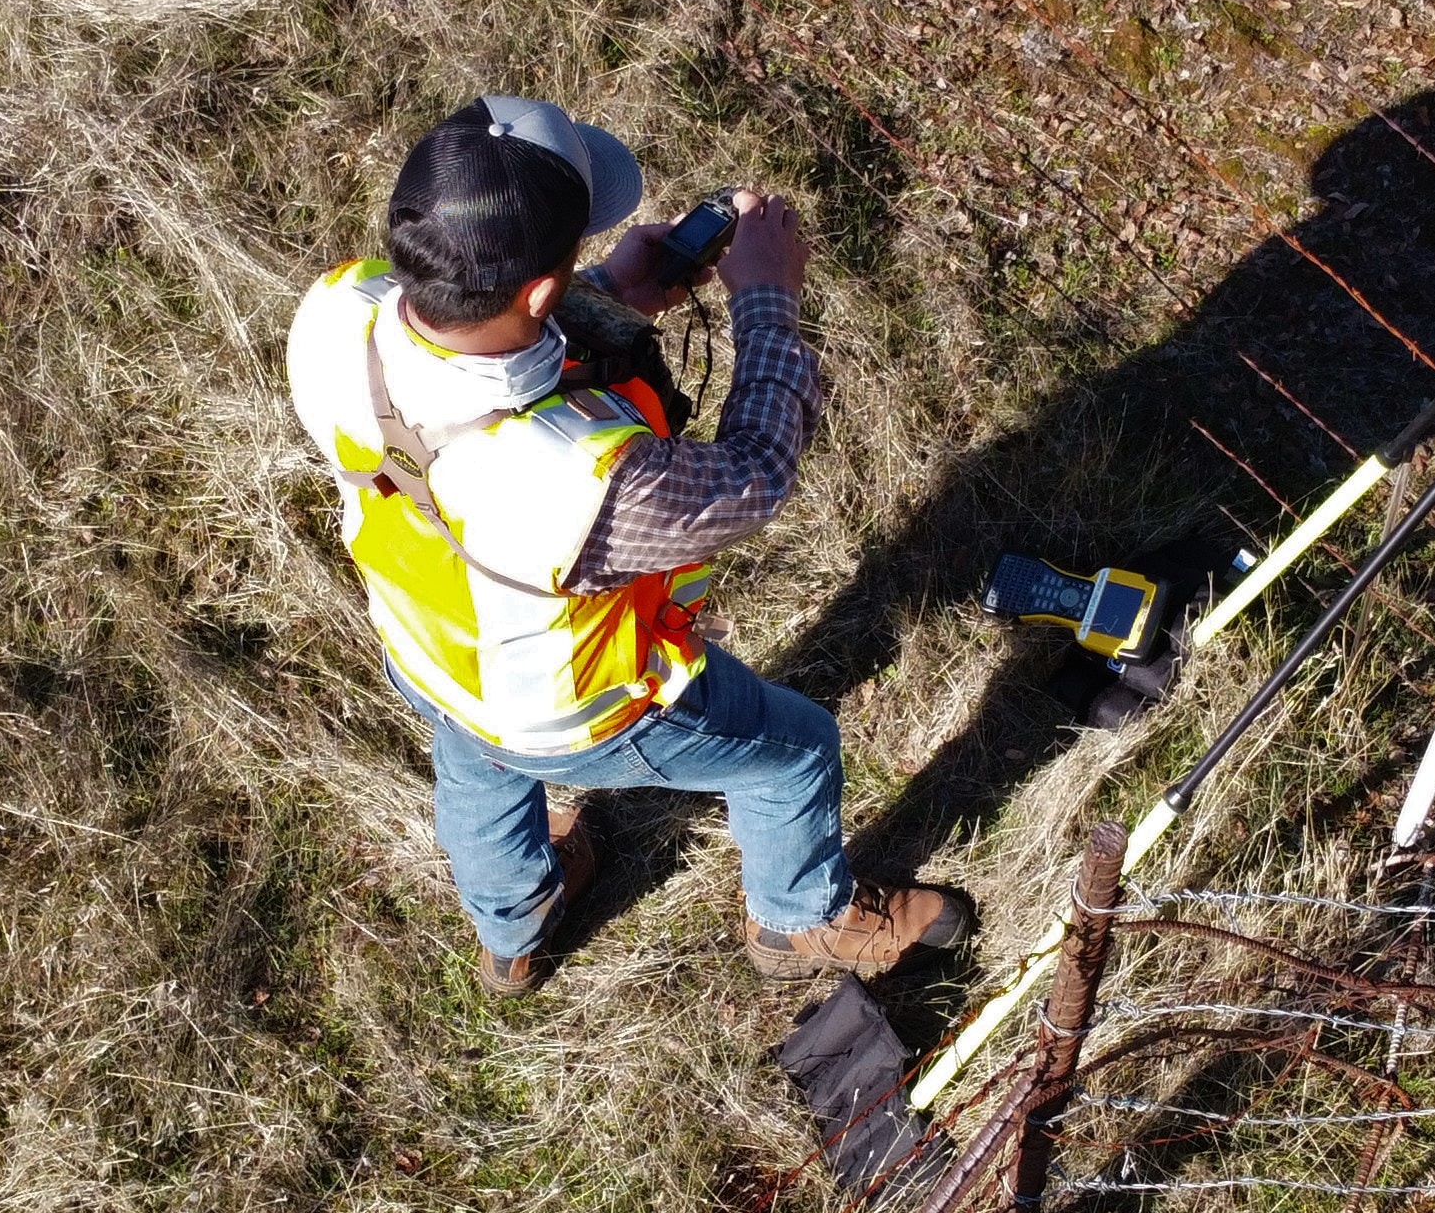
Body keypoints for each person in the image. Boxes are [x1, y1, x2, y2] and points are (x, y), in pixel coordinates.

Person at [284, 97, 971, 996]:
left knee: (474, 756)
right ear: (536, 291)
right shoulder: (580, 475)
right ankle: (800, 920)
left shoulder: (338, 310)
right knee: (795, 748)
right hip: (576, 709)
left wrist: (609, 291)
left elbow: (471, 358)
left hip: (427, 649)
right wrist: (766, 300)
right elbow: (752, 476)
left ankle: (515, 922)